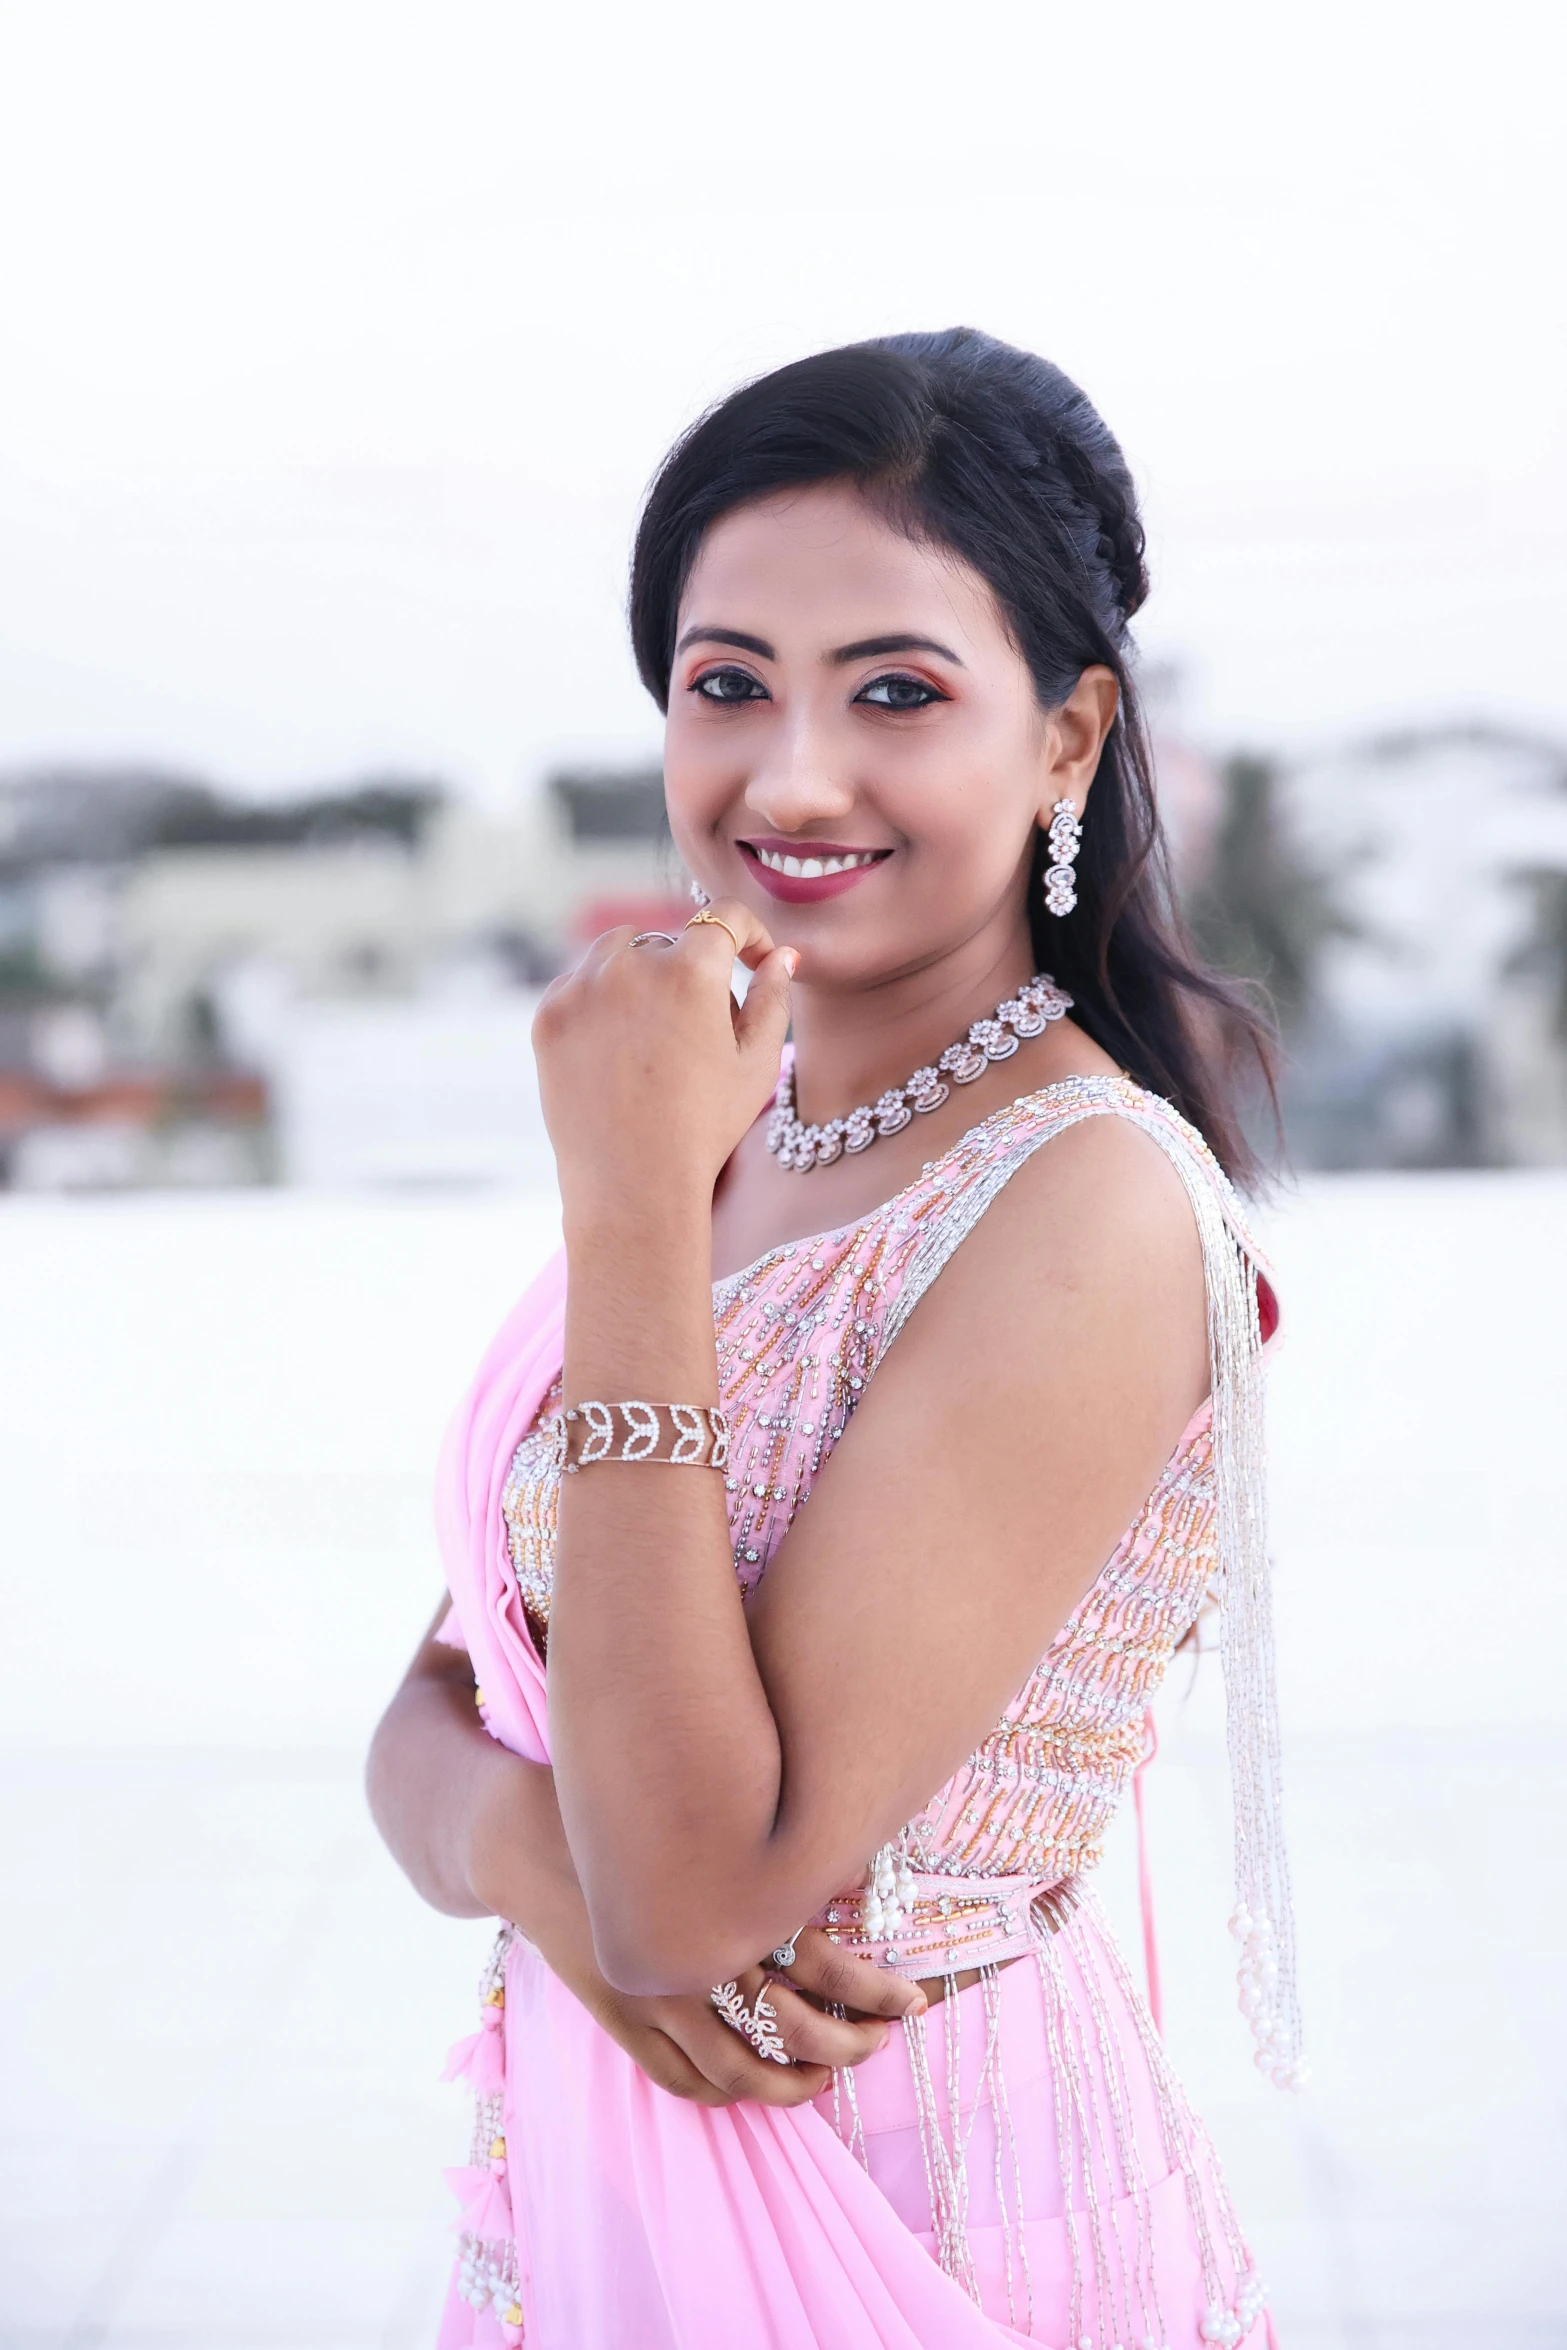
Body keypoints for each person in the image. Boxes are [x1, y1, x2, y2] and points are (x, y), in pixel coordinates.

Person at [367, 328, 1302, 2350]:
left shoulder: (1082, 1203)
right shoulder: (729, 1131)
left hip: (919, 2213)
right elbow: (437, 1716)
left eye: (896, 689)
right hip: (593, 2184)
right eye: (726, 686)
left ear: (1066, 738)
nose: (790, 776)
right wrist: (533, 1852)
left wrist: (624, 1218)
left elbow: (695, 1897)